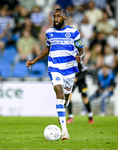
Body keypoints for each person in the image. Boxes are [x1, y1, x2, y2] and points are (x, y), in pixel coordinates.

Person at [26, 8, 85, 140]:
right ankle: (65, 131)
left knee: (64, 100)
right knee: (58, 92)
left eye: (58, 16)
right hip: (54, 67)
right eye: (54, 16)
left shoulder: (73, 32)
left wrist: (80, 56)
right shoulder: (49, 32)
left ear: (65, 17)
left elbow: (82, 50)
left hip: (70, 69)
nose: (56, 19)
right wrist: (34, 60)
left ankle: (62, 111)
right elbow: (47, 48)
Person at [66, 60, 94, 124]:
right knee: (68, 97)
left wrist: (77, 78)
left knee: (85, 99)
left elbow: (85, 71)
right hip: (72, 81)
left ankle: (90, 116)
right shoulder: (67, 61)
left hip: (81, 82)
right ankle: (70, 117)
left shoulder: (79, 61)